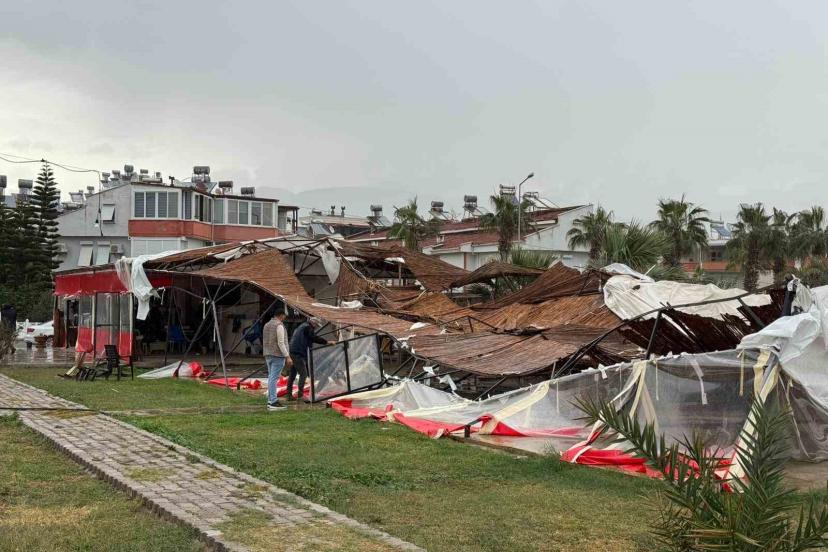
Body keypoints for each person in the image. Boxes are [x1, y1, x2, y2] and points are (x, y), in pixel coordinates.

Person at [288, 317, 334, 402]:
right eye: (316, 326)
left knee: (292, 374)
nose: (316, 327)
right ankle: (300, 395)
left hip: (292, 352)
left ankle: (289, 395)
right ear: (313, 323)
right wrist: (327, 342)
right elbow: (314, 338)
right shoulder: (308, 327)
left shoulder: (302, 326)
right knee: (303, 374)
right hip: (299, 353)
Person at [262, 310, 291, 411]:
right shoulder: (279, 325)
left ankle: (270, 400)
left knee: (271, 377)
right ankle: (273, 401)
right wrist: (287, 356)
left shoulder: (266, 325)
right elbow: (281, 343)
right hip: (277, 355)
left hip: (268, 354)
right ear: (281, 315)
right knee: (274, 378)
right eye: (284, 316)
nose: (285, 318)